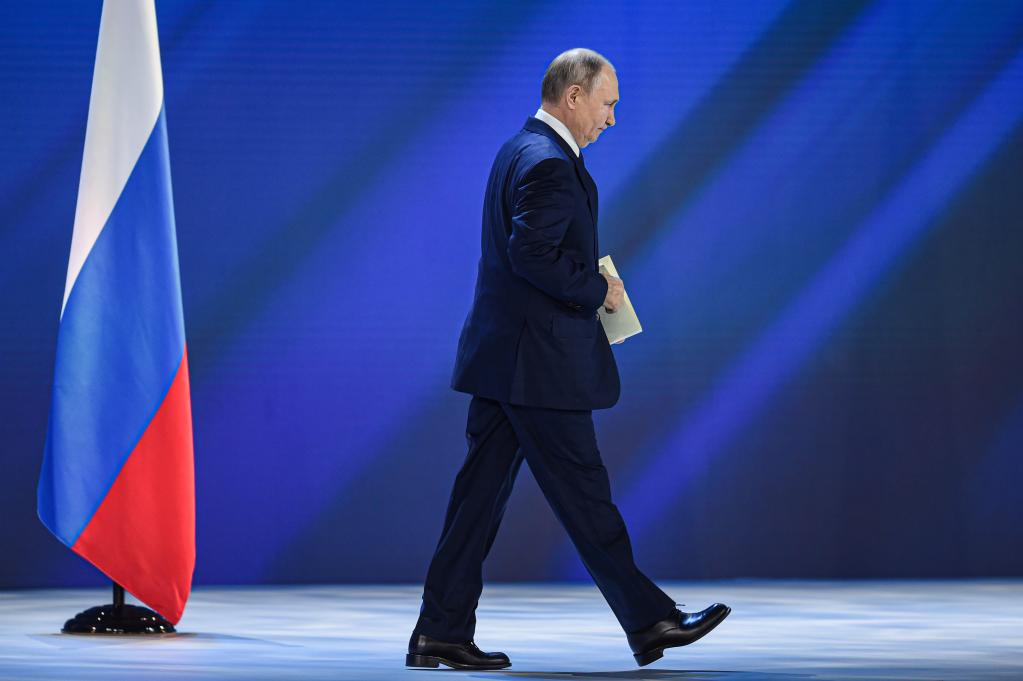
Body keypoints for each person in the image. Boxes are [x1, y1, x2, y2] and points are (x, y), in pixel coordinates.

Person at [407, 48, 730, 671]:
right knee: (584, 495)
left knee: (476, 503)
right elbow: (531, 255)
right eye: (607, 104)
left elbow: (520, 254)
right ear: (574, 95)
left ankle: (439, 632)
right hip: (538, 367)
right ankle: (651, 622)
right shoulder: (550, 164)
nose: (611, 119)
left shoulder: (517, 149)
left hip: (505, 361)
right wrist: (596, 288)